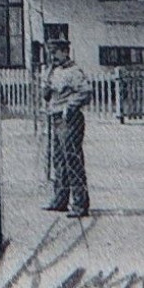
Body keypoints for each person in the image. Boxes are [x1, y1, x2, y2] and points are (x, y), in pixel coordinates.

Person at [43, 41, 92, 216]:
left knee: (73, 160)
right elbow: (47, 95)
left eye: (55, 52)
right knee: (59, 160)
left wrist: (70, 106)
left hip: (69, 119)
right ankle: (60, 199)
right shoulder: (54, 71)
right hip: (55, 118)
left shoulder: (74, 72)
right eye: (50, 52)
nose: (52, 56)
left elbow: (85, 92)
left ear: (65, 52)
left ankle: (80, 204)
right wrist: (46, 85)